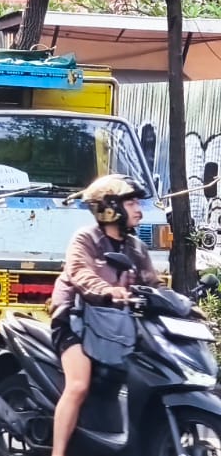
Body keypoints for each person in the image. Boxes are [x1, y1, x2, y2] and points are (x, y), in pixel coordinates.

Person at [47, 174, 163, 456]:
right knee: (78, 385)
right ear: (109, 207)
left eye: (137, 203)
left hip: (113, 326)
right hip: (74, 318)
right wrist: (108, 290)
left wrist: (181, 304)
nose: (138, 210)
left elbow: (153, 284)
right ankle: (57, 452)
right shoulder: (86, 239)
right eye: (131, 203)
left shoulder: (135, 248)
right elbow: (80, 272)